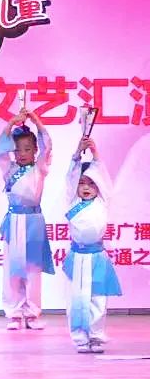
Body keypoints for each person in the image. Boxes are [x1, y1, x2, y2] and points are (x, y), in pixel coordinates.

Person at [0, 109, 55, 330]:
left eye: (27, 149)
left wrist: (36, 121)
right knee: (13, 270)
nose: (22, 153)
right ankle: (14, 313)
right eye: (18, 149)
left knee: (32, 270)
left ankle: (32, 313)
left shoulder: (40, 168)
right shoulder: (9, 169)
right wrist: (11, 122)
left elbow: (48, 146)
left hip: (33, 221)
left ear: (35, 150)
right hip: (14, 220)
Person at [63, 137, 122, 353]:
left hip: (97, 256)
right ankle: (80, 337)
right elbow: (70, 178)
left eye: (91, 183)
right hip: (78, 256)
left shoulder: (102, 201)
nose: (86, 187)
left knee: (97, 297)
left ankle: (96, 336)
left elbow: (103, 177)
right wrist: (77, 154)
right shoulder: (73, 201)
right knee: (77, 298)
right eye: (82, 183)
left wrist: (95, 154)